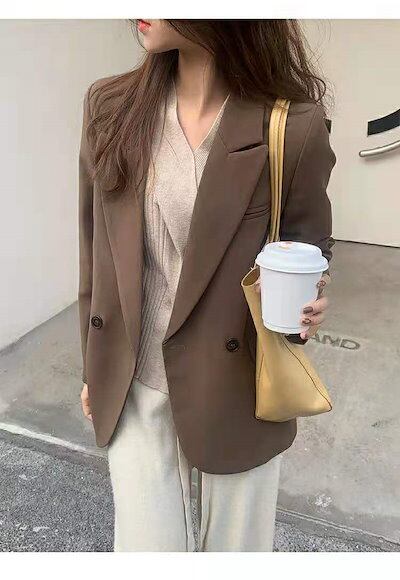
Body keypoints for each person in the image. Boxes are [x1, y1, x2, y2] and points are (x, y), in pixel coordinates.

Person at [78, 19, 336, 552]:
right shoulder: (110, 108)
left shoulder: (291, 126)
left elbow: (308, 247)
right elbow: (94, 250)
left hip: (237, 385)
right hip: (134, 382)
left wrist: (309, 301)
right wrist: (93, 363)